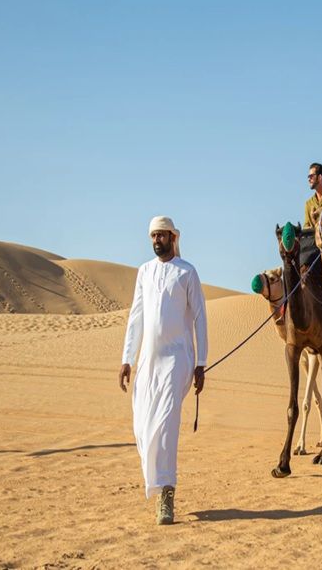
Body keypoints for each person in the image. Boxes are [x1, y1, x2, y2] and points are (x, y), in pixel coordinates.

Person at [118, 215, 208, 525]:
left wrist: (201, 363)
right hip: (148, 361)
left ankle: (167, 494)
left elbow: (199, 318)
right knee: (143, 426)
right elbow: (136, 317)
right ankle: (158, 482)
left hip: (177, 359)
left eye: (162, 235)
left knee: (166, 425)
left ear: (173, 237)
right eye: (153, 236)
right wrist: (127, 359)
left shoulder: (187, 273)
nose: (157, 241)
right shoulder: (144, 272)